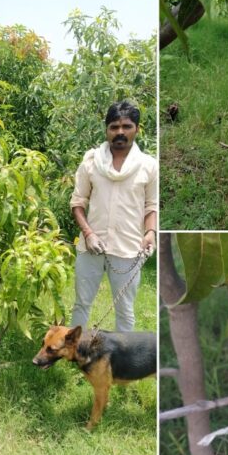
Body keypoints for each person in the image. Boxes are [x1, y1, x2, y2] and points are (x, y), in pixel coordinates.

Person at [70, 100, 157, 332]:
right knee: (81, 304)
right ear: (106, 130)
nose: (120, 132)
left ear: (137, 129)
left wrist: (150, 233)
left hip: (128, 249)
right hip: (91, 247)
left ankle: (123, 363)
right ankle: (73, 353)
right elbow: (77, 203)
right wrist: (88, 234)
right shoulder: (91, 162)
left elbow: (152, 206)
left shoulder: (149, 166)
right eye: (114, 127)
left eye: (127, 126)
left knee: (125, 311)